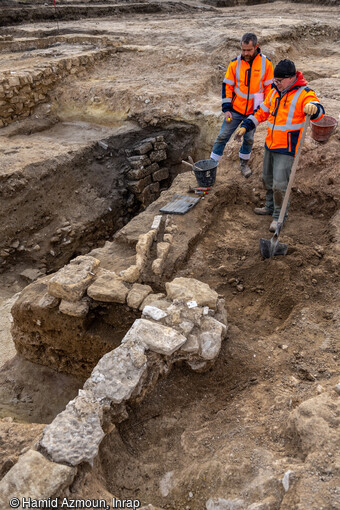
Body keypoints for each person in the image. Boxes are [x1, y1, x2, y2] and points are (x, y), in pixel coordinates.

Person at [236, 59, 325, 232]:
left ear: (291, 78)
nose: (276, 84)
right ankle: (269, 206)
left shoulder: (304, 93)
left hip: (288, 148)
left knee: (279, 185)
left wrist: (313, 108)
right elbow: (262, 111)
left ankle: (279, 216)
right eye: (275, 80)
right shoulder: (275, 92)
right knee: (267, 179)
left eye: (279, 81)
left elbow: (318, 110)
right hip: (271, 143)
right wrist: (246, 125)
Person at [210, 33, 274, 178]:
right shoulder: (235, 63)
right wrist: (226, 109)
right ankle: (211, 166)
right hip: (235, 110)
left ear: (256, 47)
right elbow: (227, 87)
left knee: (249, 139)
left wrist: (262, 110)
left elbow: (270, 90)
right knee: (222, 137)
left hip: (253, 112)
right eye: (243, 50)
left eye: (248, 50)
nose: (245, 53)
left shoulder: (266, 64)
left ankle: (244, 164)